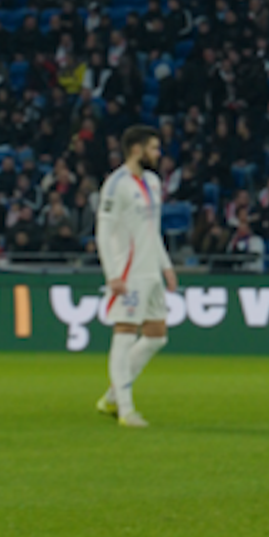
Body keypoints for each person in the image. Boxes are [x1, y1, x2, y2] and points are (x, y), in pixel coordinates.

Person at [95, 125, 176, 428]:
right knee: (125, 333)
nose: (158, 154)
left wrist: (166, 266)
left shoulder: (153, 182)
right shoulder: (116, 185)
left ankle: (112, 397)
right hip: (128, 273)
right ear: (137, 149)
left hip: (151, 271)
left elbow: (152, 230)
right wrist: (113, 274)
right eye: (154, 148)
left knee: (157, 336)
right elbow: (103, 232)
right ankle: (126, 410)